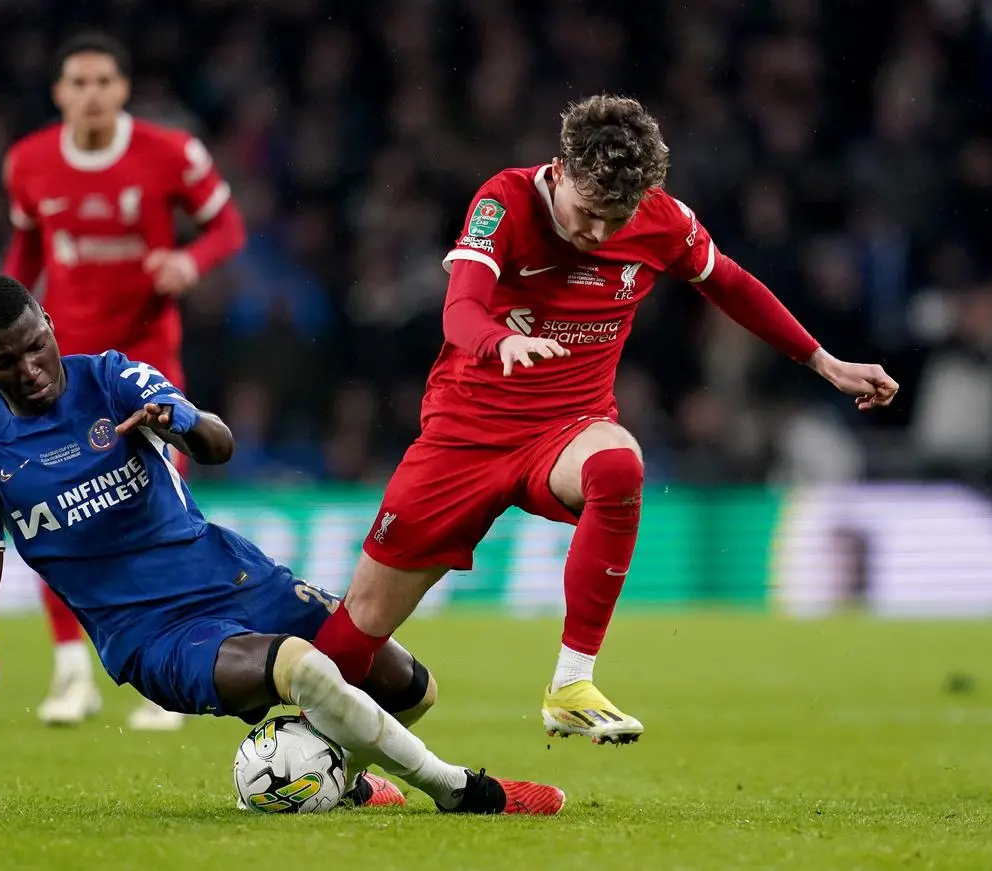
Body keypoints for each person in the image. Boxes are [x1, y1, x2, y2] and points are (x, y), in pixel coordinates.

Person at [310, 95, 900, 745]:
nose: (597, 234)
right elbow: (461, 310)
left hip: (566, 427)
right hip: (465, 434)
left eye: (614, 220)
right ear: (560, 172)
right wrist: (497, 341)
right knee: (361, 625)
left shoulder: (661, 220)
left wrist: (823, 362)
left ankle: (571, 684)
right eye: (588, 214)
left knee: (618, 463)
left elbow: (729, 284)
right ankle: (296, 739)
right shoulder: (503, 201)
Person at [0, 276, 564, 816]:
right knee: (301, 667)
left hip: (236, 577)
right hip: (152, 635)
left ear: (50, 325)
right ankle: (460, 791)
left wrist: (185, 424)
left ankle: (329, 778)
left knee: (411, 688)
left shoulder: (112, 378)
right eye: (4, 361)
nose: (29, 369)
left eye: (36, 346)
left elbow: (219, 445)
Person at [2, 32, 247, 730]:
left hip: (145, 360)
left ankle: (169, 670)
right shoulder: (28, 163)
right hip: (61, 364)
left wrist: (190, 263)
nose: (91, 95)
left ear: (123, 89)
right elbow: (24, 257)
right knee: (53, 504)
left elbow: (226, 225)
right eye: (77, 83)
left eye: (103, 81)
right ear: (59, 94)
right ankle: (71, 671)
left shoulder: (171, 153)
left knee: (159, 503)